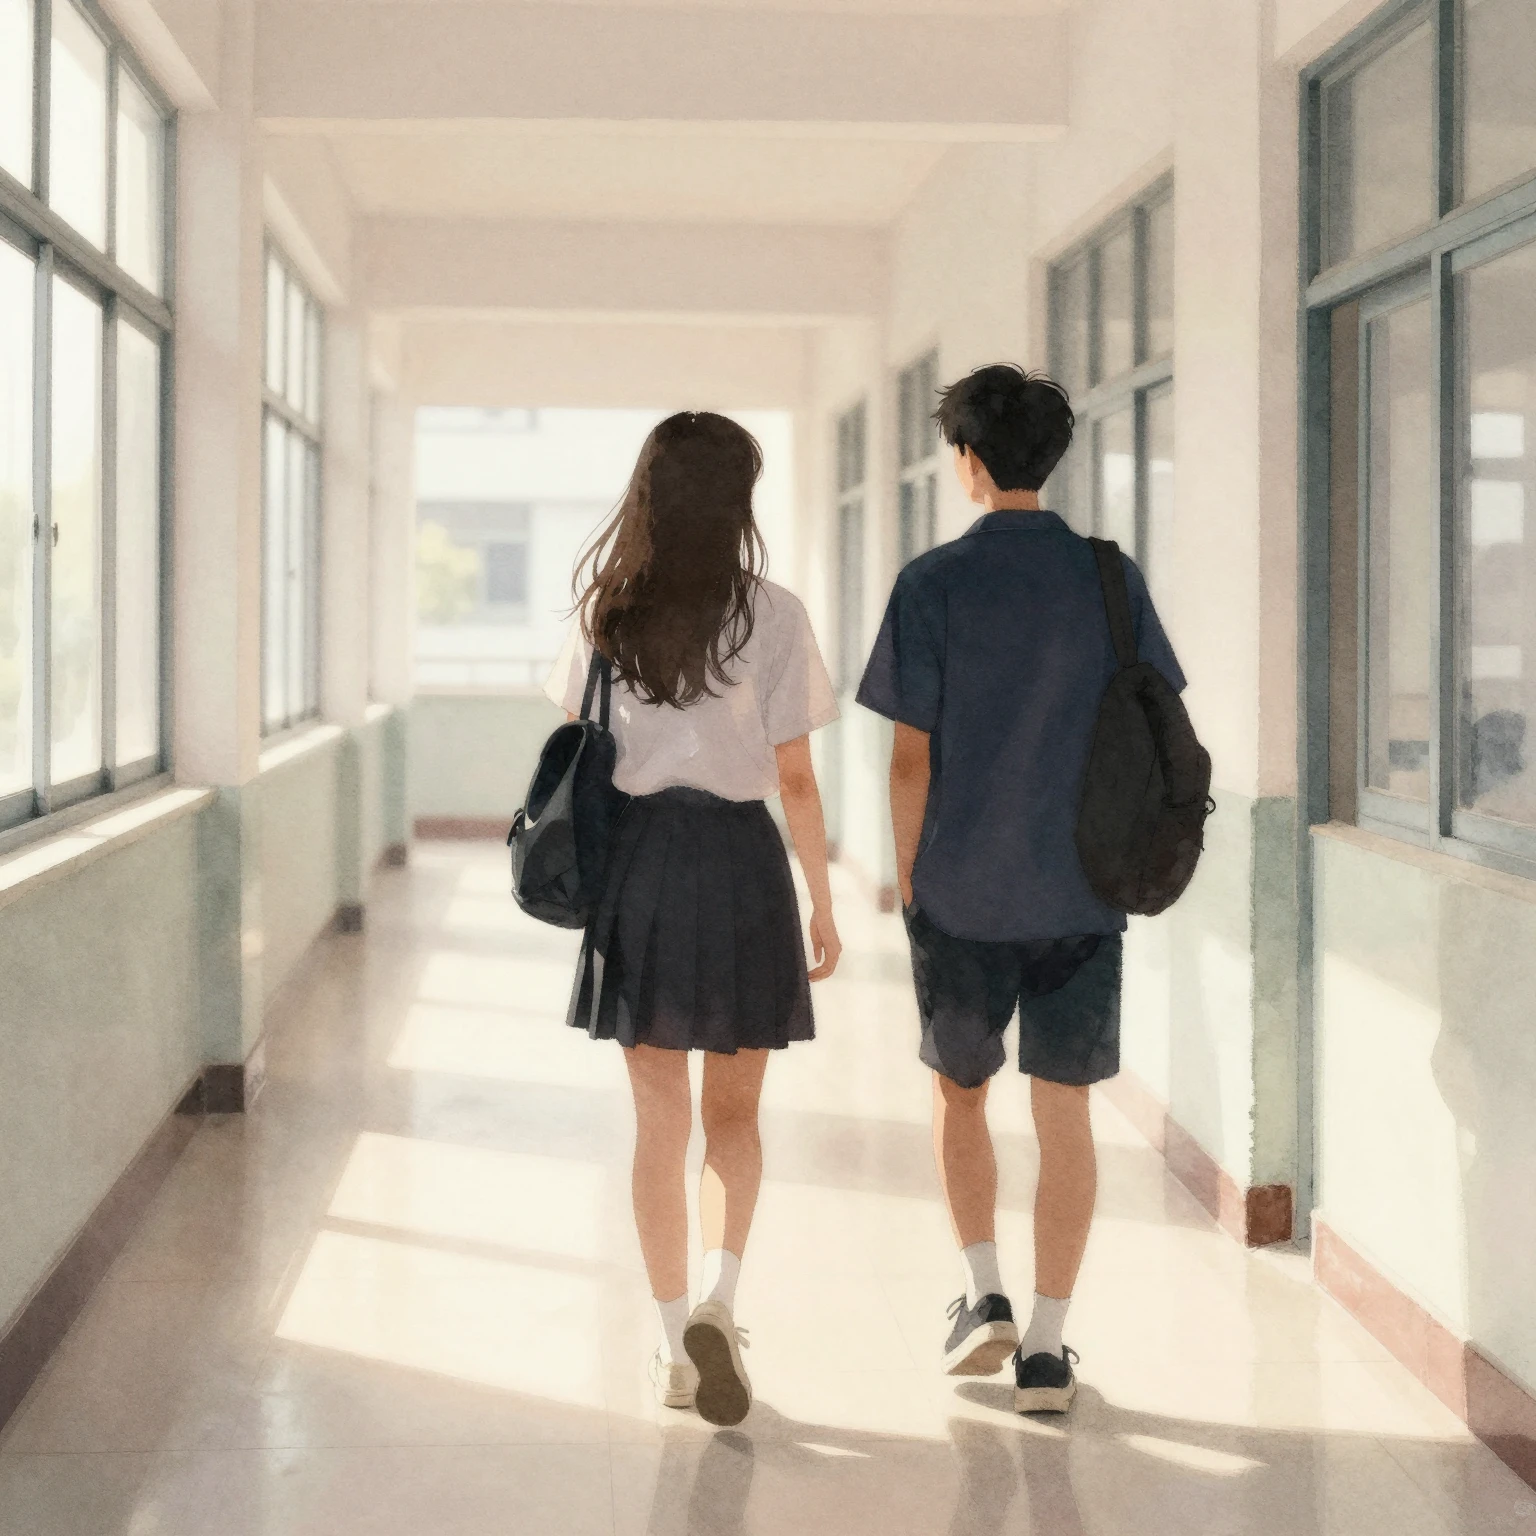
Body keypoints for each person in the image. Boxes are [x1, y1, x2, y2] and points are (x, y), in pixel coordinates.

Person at [855, 364, 1186, 1414]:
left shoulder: (932, 583)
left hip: (961, 888)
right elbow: (1149, 707)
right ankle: (1047, 1349)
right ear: (1051, 456)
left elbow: (910, 760)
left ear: (966, 459)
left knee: (959, 1094)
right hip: (1085, 891)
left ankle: (983, 1294)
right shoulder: (1108, 576)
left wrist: (910, 879)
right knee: (1068, 1114)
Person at [544, 410, 842, 1428]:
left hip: (641, 868)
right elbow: (797, 779)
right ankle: (721, 1298)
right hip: (744, 865)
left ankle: (676, 1346)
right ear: (738, 501)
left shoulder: (607, 615)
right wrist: (823, 901)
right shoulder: (777, 615)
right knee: (734, 1119)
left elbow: (576, 743)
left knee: (657, 1123)